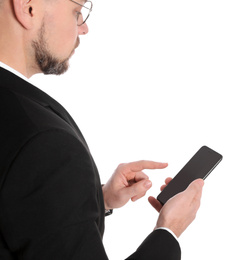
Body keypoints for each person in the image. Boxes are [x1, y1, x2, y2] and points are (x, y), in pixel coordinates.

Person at [0, 0, 204, 259]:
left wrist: (95, 198)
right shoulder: (45, 141)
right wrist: (168, 231)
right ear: (28, 8)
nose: (83, 28)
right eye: (77, 12)